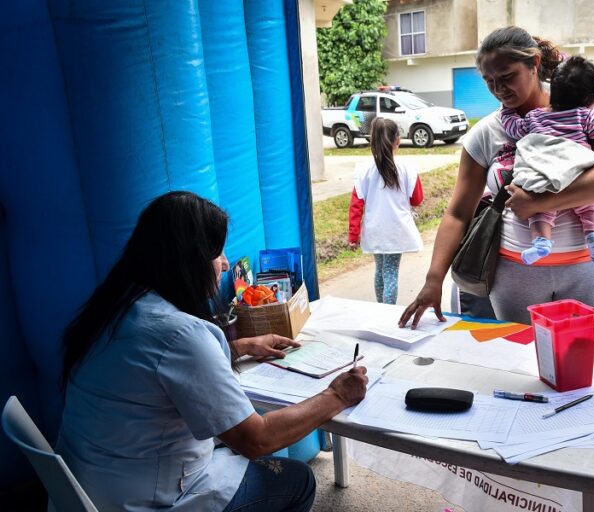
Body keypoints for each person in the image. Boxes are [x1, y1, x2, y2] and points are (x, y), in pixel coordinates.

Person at [58, 191, 368, 511]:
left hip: (93, 489)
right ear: (187, 260)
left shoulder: (115, 307)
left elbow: (155, 369)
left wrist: (239, 347)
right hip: (148, 499)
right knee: (296, 479)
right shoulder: (181, 335)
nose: (223, 263)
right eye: (216, 253)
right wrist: (337, 395)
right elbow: (255, 440)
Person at [398, 26, 594, 338]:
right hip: (515, 272)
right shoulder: (486, 132)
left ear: (534, 64)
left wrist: (539, 203)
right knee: (521, 365)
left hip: (587, 266)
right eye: (489, 81)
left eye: (507, 76)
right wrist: (433, 279)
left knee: (588, 364)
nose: (499, 89)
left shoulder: (577, 109)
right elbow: (457, 213)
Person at [499, 55, 594, 264]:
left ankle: (541, 242)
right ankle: (593, 236)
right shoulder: (584, 116)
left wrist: (506, 112)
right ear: (590, 99)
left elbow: (514, 128)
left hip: (544, 174)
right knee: (590, 204)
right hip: (576, 174)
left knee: (540, 211)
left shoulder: (535, 116)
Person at [348, 117, 424, 304]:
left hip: (375, 230)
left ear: (372, 141)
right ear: (397, 140)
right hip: (395, 231)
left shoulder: (364, 170)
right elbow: (417, 199)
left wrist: (353, 235)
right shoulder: (407, 169)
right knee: (390, 273)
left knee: (380, 270)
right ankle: (388, 313)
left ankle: (380, 308)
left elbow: (356, 205)